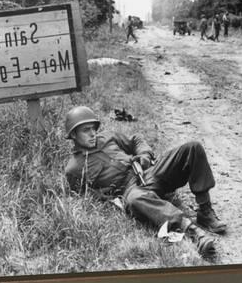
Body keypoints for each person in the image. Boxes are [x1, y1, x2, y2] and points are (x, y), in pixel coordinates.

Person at [63, 106, 227, 257]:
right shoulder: (74, 169)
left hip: (147, 173)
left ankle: (205, 211)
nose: (92, 133)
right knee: (135, 199)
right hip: (130, 190)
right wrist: (108, 198)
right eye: (86, 130)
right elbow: (84, 198)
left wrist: (144, 155)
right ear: (73, 135)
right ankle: (193, 232)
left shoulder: (107, 137)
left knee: (192, 147)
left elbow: (135, 140)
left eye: (93, 128)